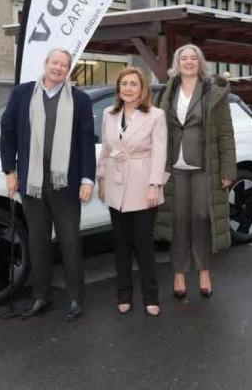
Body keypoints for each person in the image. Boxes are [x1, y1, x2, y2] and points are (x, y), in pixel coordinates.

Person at [0, 49, 96, 321]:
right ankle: (40, 297)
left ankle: (76, 299)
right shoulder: (22, 94)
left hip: (66, 183)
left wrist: (87, 178)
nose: (58, 68)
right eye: (55, 63)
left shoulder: (80, 100)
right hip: (33, 184)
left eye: (64, 65)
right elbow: (7, 134)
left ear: (68, 70)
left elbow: (86, 142)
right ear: (46, 64)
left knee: (70, 243)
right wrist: (9, 169)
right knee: (37, 242)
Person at [156, 44, 235, 299]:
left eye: (193, 58)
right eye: (183, 58)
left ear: (200, 63)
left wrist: (228, 170)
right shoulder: (168, 91)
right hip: (174, 167)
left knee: (202, 217)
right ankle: (179, 272)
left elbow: (225, 134)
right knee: (178, 219)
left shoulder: (214, 92)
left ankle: (203, 270)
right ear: (177, 63)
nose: (188, 62)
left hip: (204, 166)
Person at [97, 67, 168, 316]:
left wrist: (154, 185)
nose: (128, 88)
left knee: (143, 243)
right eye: (124, 83)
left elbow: (160, 153)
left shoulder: (156, 115)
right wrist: (101, 180)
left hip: (143, 183)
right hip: (116, 184)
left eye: (133, 84)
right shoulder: (109, 113)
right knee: (121, 243)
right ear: (118, 89)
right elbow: (106, 149)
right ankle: (124, 294)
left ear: (142, 88)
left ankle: (151, 296)